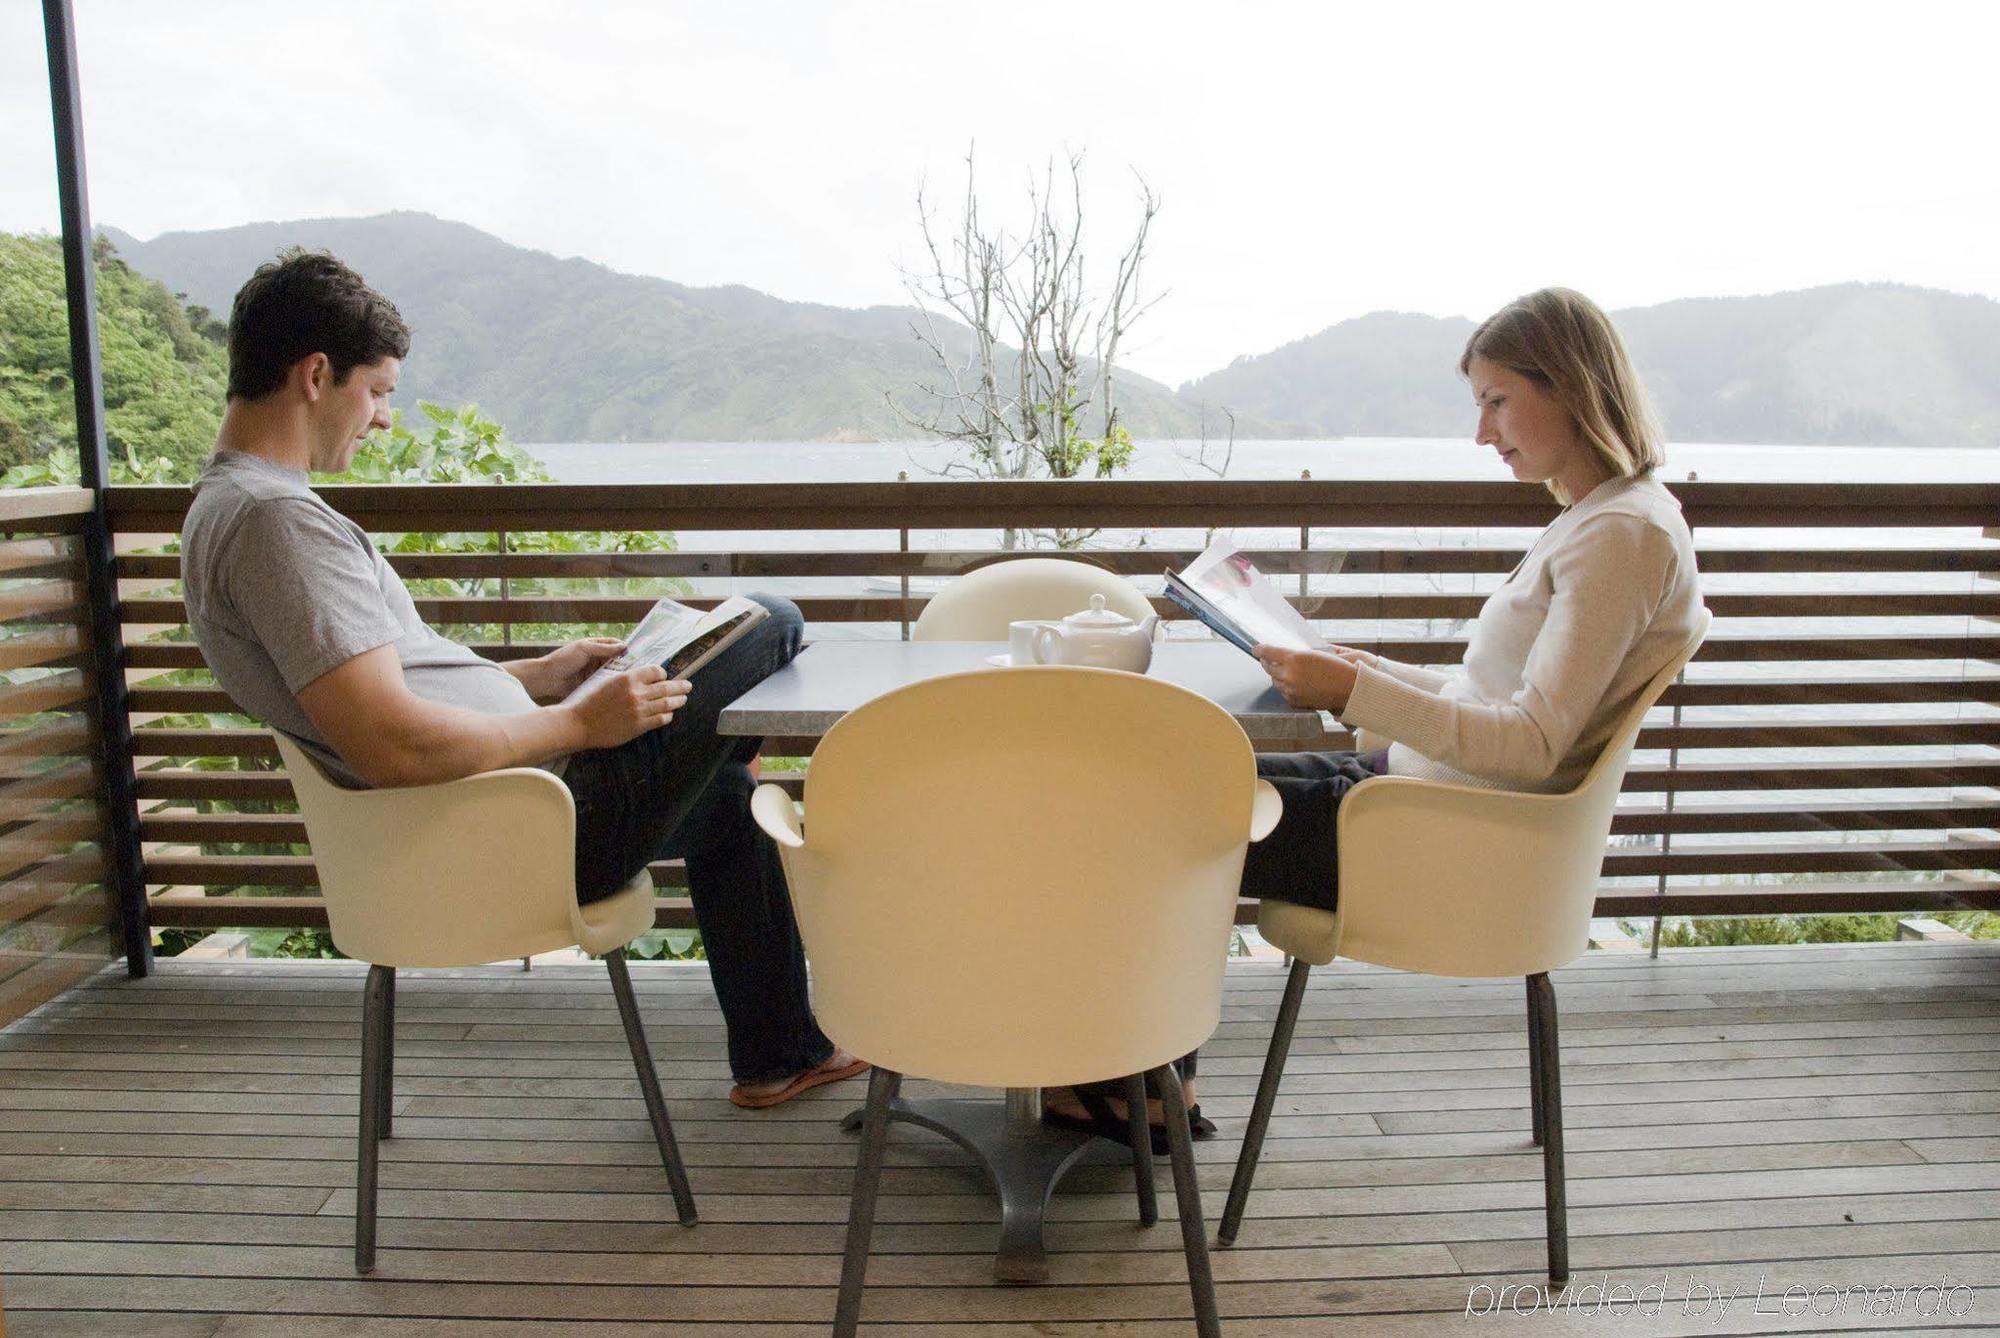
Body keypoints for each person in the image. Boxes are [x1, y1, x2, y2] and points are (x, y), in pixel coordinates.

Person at [179, 249, 863, 1109]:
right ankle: (789, 1007)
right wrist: (580, 725)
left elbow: (374, 694)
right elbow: (391, 743)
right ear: (317, 375)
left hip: (494, 812)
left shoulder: (227, 508)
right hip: (526, 829)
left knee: (728, 801)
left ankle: (780, 1055)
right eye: (380, 391)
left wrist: (535, 677)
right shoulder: (278, 523)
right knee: (771, 616)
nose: (384, 418)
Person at [1047, 286, 1706, 1148]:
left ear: (1574, 386)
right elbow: (1497, 699)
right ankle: (1132, 1081)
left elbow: (1534, 743)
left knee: (1152, 809)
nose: (1483, 433)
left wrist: (1352, 694)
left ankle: (1128, 1090)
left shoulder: (1621, 537)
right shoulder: (1605, 521)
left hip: (1435, 838)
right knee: (1164, 783)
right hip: (1419, 800)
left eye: (1497, 400)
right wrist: (1360, 669)